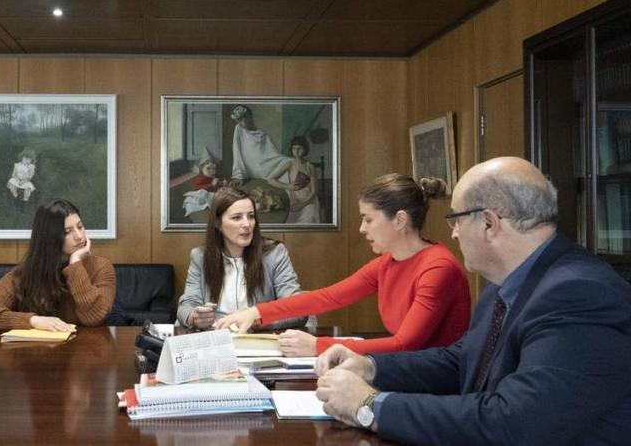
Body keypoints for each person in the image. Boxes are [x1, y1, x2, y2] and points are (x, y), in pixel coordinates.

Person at [314, 157, 631, 445]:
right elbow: (462, 360)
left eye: (456, 220)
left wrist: (369, 405)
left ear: (490, 223)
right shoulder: (508, 283)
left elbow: (513, 422)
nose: (453, 234)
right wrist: (371, 367)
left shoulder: (579, 294)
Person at [215, 174, 470, 357]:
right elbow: (327, 298)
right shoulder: (387, 263)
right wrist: (256, 311)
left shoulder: (437, 268)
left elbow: (404, 345)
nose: (361, 228)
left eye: (368, 220)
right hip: (407, 370)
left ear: (400, 220)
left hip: (433, 382)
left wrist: (317, 346)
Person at [0, 199, 116, 331]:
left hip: (86, 355)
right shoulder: (27, 272)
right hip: (37, 354)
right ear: (49, 237)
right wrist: (33, 320)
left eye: (80, 226)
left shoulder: (101, 267)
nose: (79, 236)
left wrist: (76, 264)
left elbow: (95, 317)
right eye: (67, 231)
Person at [177, 186, 309, 330]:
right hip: (216, 343)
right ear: (218, 223)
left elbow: (297, 309)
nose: (247, 224)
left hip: (258, 344)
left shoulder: (274, 254)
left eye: (251, 216)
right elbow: (187, 305)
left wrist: (257, 318)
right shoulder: (200, 257)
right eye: (237, 217)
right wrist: (194, 317)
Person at [229, 105, 290, 185]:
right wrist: (238, 175)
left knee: (289, 161)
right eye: (237, 121)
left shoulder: (264, 135)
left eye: (241, 120)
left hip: (264, 165)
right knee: (288, 163)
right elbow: (237, 152)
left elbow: (273, 155)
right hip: (253, 168)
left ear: (249, 117)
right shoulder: (239, 129)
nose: (239, 124)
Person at [266, 135, 320, 223]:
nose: (296, 152)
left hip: (308, 200)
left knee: (308, 218)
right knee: (289, 221)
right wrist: (288, 186)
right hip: (294, 199)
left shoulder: (310, 167)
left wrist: (301, 205)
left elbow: (314, 192)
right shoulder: (290, 164)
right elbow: (270, 179)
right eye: (294, 149)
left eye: (299, 149)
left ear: (305, 149)